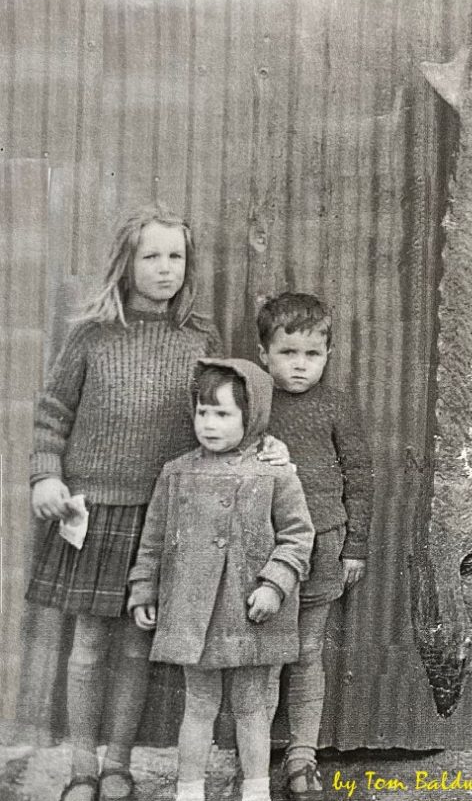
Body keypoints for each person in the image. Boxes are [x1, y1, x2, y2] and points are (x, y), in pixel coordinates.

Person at [24, 204, 288, 801]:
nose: (165, 268)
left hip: (168, 515)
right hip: (93, 511)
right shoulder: (91, 335)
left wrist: (263, 442)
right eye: (152, 256)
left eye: (176, 256)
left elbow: (228, 410)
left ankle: (119, 763)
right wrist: (45, 476)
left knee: (136, 645)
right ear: (126, 263)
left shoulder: (200, 337)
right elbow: (52, 412)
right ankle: (82, 766)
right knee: (89, 646)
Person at [128, 360, 314, 801]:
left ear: (252, 417)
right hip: (194, 616)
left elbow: (297, 536)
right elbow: (153, 539)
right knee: (198, 705)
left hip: (250, 612)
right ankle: (189, 790)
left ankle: (256, 790)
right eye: (203, 412)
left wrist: (274, 585)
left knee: (252, 707)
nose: (209, 424)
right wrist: (143, 589)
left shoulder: (274, 472)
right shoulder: (176, 472)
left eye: (223, 414)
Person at [255, 293, 373, 800]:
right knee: (262, 656)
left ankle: (302, 757)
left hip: (324, 543)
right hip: (264, 547)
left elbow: (359, 476)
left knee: (306, 652)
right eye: (288, 353)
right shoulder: (255, 401)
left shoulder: (336, 404)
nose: (300, 365)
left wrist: (355, 545)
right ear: (264, 354)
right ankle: (253, 761)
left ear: (328, 355)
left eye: (312, 354)